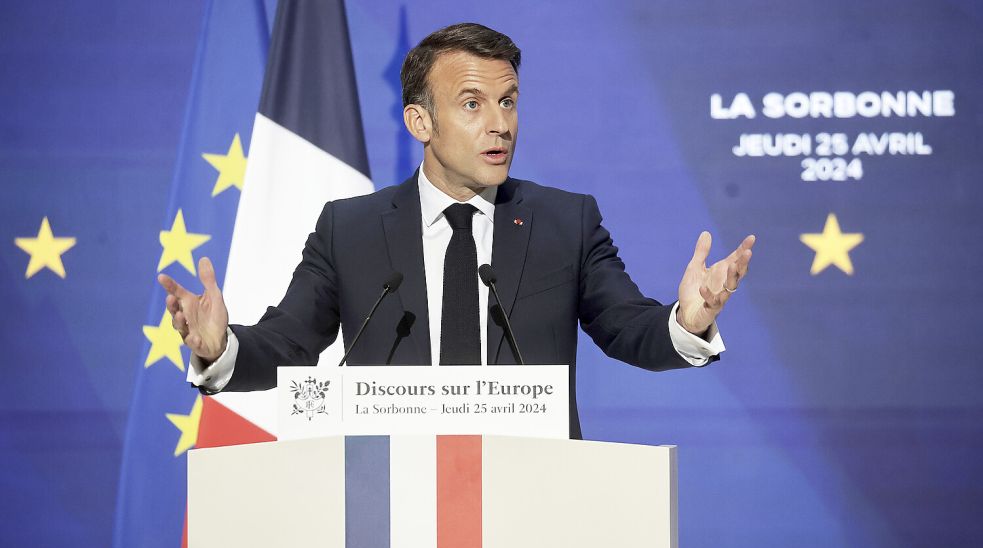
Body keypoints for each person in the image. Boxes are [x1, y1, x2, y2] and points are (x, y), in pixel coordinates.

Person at [157, 23, 754, 438]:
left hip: (534, 501)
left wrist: (686, 322)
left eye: (509, 101)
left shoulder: (565, 223)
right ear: (420, 120)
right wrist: (220, 349)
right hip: (391, 502)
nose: (500, 124)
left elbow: (629, 330)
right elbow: (289, 343)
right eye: (473, 104)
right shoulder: (352, 230)